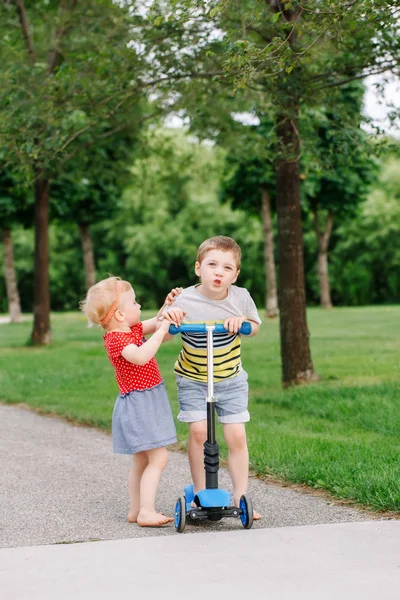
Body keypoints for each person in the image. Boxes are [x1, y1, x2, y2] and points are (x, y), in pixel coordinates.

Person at [165, 236, 262, 518]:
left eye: (227, 268)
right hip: (193, 378)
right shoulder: (184, 299)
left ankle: (240, 494)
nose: (219, 272)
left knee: (236, 436)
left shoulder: (240, 297)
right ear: (198, 268)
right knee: (198, 433)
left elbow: (254, 326)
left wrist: (242, 323)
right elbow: (165, 324)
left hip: (230, 379)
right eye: (212, 264)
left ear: (236, 274)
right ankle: (199, 492)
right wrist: (171, 316)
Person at [80, 276, 184, 527]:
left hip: (145, 401)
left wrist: (167, 307)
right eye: (135, 302)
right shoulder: (117, 340)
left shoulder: (129, 329)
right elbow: (140, 356)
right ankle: (146, 511)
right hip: (139, 406)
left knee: (141, 459)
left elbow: (160, 324)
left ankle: (136, 510)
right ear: (119, 315)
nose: (139, 306)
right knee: (159, 458)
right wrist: (160, 331)